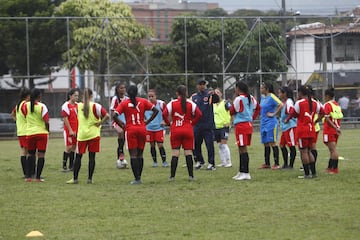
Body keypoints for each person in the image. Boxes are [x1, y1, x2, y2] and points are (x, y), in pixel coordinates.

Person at [113, 85, 159, 185]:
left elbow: (114, 115)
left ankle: (136, 178)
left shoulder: (124, 103)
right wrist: (147, 122)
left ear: (128, 93)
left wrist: (122, 124)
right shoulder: (143, 101)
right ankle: (139, 177)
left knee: (133, 154)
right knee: (140, 154)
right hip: (142, 129)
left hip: (131, 130)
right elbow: (156, 110)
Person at [67, 88, 109, 184]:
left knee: (78, 157)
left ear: (82, 96)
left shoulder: (78, 106)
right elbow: (107, 115)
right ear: (91, 96)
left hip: (82, 135)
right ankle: (89, 179)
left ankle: (75, 178)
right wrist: (100, 123)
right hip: (94, 134)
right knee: (92, 157)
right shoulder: (96, 106)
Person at [162, 85, 202, 181]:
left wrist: (169, 124)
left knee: (175, 153)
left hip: (176, 129)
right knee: (188, 152)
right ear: (186, 93)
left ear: (177, 93)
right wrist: (192, 123)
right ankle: (191, 176)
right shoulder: (190, 103)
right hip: (188, 129)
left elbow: (164, 114)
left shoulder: (172, 103)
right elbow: (199, 114)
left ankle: (172, 177)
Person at [285, 85, 323, 179]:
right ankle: (313, 173)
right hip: (311, 129)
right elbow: (323, 112)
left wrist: (287, 119)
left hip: (302, 130)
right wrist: (316, 120)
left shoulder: (300, 103)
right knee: (310, 150)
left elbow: (293, 113)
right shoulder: (315, 102)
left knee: (303, 152)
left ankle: (307, 174)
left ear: (300, 93)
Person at [230, 81, 260, 180]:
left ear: (238, 88)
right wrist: (252, 118)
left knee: (243, 149)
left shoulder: (239, 99)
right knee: (241, 148)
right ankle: (241, 171)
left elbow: (232, 111)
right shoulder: (251, 98)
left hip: (241, 125)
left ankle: (246, 172)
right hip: (248, 125)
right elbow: (258, 108)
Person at [191, 79, 219, 170]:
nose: (202, 86)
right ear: (197, 86)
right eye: (200, 84)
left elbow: (216, 100)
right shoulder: (194, 97)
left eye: (203, 84)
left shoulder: (209, 95)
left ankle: (211, 163)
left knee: (209, 145)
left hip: (207, 125)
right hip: (197, 125)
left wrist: (214, 94)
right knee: (196, 144)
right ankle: (200, 161)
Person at [22, 88, 50, 182]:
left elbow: (25, 115)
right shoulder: (42, 106)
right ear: (39, 96)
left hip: (30, 133)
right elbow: (46, 121)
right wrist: (47, 130)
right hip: (41, 133)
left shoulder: (25, 105)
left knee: (30, 154)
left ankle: (28, 177)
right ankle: (38, 177)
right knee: (41, 155)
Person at [258, 82, 283, 170]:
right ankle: (267, 163)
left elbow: (281, 104)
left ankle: (276, 163)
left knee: (272, 142)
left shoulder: (272, 96)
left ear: (266, 89)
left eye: (262, 88)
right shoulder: (262, 97)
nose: (260, 89)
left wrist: (274, 114)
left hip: (271, 123)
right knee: (265, 143)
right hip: (263, 122)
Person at [145, 89, 169, 167]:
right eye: (149, 96)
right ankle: (155, 162)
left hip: (159, 128)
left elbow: (167, 113)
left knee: (160, 145)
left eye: (152, 96)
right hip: (149, 128)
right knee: (152, 145)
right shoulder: (145, 104)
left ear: (156, 96)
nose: (151, 98)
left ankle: (164, 162)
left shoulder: (161, 104)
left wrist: (164, 121)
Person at [11, 87, 31, 178]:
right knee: (28, 152)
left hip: (20, 131)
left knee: (24, 152)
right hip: (26, 131)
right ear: (27, 96)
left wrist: (17, 122)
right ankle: (28, 173)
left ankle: (25, 173)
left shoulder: (18, 105)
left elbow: (12, 114)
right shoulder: (26, 105)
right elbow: (29, 117)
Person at [323, 88, 343, 174]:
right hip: (336, 130)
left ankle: (334, 168)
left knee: (333, 150)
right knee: (332, 150)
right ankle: (330, 167)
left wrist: (334, 127)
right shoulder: (336, 104)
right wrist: (337, 128)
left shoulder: (327, 105)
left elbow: (327, 118)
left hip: (330, 129)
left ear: (327, 96)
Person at [110, 82, 128, 168]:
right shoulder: (115, 99)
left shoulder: (127, 99)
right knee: (120, 132)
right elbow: (112, 112)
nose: (123, 89)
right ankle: (121, 154)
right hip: (117, 121)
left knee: (125, 138)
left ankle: (121, 156)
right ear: (117, 90)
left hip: (126, 122)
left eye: (124, 88)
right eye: (121, 88)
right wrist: (119, 122)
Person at [278, 86, 297, 169]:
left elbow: (291, 111)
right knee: (282, 145)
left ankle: (291, 165)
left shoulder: (289, 101)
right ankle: (285, 164)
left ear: (284, 94)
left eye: (280, 92)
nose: (279, 94)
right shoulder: (285, 102)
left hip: (290, 126)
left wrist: (287, 118)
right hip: (285, 127)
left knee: (291, 146)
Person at [213, 88, 232, 168]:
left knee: (224, 144)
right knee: (220, 145)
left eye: (218, 92)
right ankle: (223, 162)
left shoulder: (225, 103)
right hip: (216, 127)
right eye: (215, 93)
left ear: (221, 94)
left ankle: (229, 161)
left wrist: (230, 122)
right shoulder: (213, 104)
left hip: (224, 126)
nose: (216, 94)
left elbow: (232, 111)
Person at [61, 88, 79, 172]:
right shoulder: (66, 105)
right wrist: (70, 130)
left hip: (76, 129)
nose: (77, 97)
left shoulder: (77, 105)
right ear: (70, 96)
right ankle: (64, 165)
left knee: (74, 147)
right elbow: (65, 118)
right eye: (75, 95)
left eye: (77, 96)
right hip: (69, 130)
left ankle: (71, 165)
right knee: (68, 147)